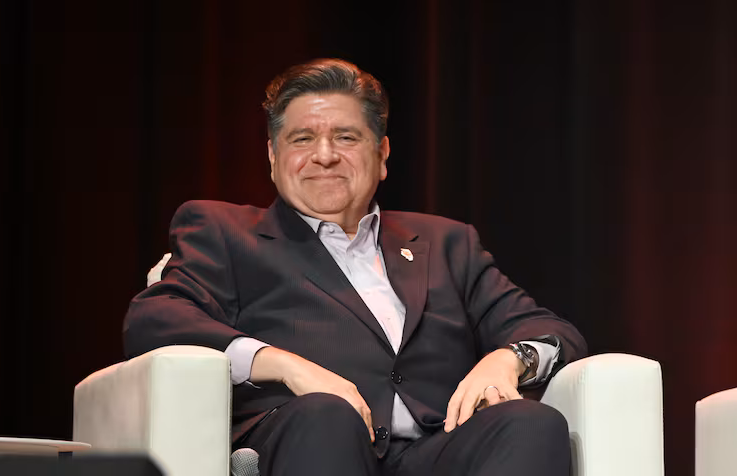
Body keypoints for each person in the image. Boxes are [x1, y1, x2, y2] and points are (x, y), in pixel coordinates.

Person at [124, 58, 587, 476]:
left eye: (346, 137)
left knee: (531, 422)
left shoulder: (447, 242)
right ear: (272, 157)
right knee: (325, 413)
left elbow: (548, 328)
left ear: (382, 155)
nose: (324, 155)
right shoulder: (225, 231)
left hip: (438, 449)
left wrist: (510, 359)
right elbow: (157, 319)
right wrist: (285, 366)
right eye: (302, 139)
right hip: (312, 441)